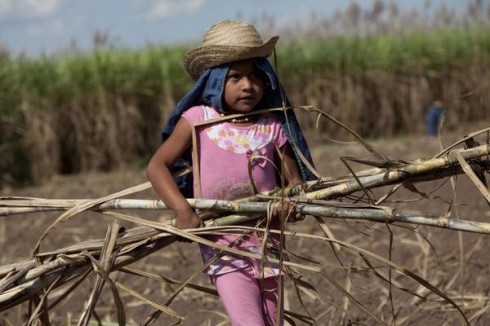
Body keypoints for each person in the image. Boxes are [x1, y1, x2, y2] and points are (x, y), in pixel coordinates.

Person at [146, 20, 317, 325]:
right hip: (222, 245)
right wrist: (183, 211)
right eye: (235, 77)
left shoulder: (272, 125)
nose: (248, 85)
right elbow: (157, 166)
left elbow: (295, 184)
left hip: (268, 242)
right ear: (215, 82)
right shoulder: (199, 120)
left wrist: (291, 204)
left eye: (255, 77)